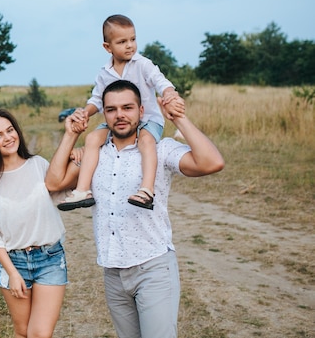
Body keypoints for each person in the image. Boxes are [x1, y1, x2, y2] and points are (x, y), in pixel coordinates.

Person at [45, 80, 224, 338]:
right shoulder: (93, 156)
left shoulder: (160, 150)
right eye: (112, 109)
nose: (120, 115)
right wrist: (71, 134)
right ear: (104, 114)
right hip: (113, 274)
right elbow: (53, 183)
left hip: (152, 268)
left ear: (141, 111)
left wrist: (178, 119)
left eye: (128, 107)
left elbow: (213, 162)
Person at [57, 14, 184, 212]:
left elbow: (160, 81)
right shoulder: (104, 72)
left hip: (148, 119)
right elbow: (97, 100)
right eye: (122, 41)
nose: (130, 46)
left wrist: (169, 93)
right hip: (115, 122)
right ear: (108, 47)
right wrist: (85, 112)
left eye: (133, 39)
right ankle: (82, 190)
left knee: (146, 141)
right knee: (91, 139)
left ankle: (147, 191)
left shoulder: (142, 64)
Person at [0, 109, 79, 338]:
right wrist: (12, 273)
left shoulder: (38, 165)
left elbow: (62, 195)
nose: (7, 137)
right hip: (14, 262)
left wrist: (76, 160)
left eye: (10, 130)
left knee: (39, 334)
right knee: (22, 332)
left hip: (50, 258)